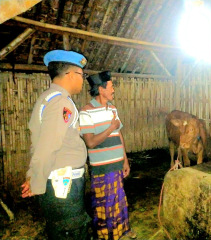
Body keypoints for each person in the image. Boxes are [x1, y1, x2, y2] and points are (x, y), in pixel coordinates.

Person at [21, 50, 91, 239]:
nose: (83, 80)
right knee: (72, 231)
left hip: (58, 182)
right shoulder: (61, 103)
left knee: (61, 230)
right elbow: (47, 148)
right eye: (81, 75)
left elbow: (39, 144)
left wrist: (32, 176)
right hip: (63, 185)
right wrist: (36, 182)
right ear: (70, 75)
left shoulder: (48, 98)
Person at [79, 71, 136, 240]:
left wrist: (125, 160)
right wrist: (111, 127)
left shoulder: (113, 109)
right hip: (102, 168)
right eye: (111, 87)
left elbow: (119, 135)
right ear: (100, 89)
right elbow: (90, 142)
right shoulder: (86, 112)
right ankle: (106, 236)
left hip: (117, 164)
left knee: (119, 199)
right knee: (105, 203)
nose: (113, 90)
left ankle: (124, 230)